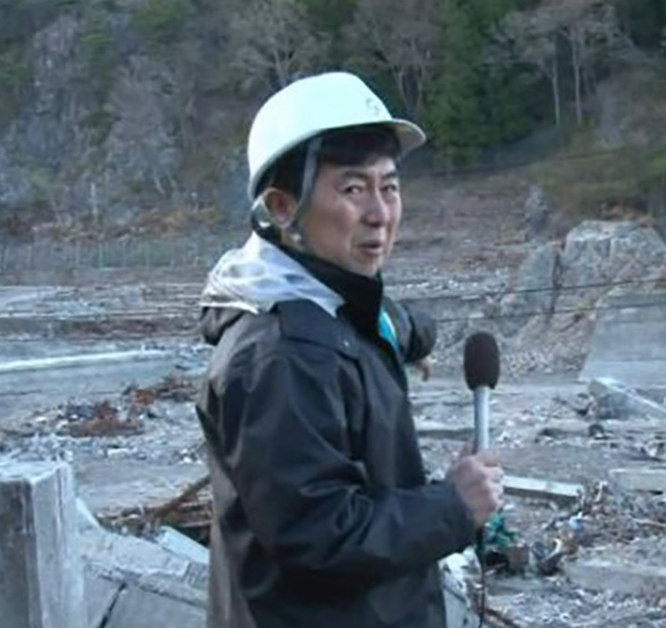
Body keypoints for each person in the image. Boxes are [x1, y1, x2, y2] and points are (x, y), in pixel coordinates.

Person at [196, 71, 503, 628]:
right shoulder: (280, 357)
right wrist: (453, 506)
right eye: (353, 189)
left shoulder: (332, 308)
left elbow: (386, 318)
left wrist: (410, 339)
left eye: (390, 187)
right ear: (282, 207)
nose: (380, 213)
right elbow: (318, 534)